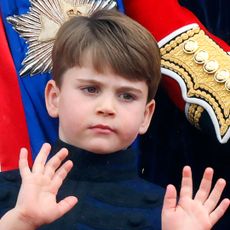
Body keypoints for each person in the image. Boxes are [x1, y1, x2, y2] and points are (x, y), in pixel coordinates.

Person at [0, 9, 229, 230]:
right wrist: (19, 222)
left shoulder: (169, 215)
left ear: (146, 115)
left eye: (127, 96)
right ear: (54, 98)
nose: (107, 108)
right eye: (91, 89)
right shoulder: (11, 195)